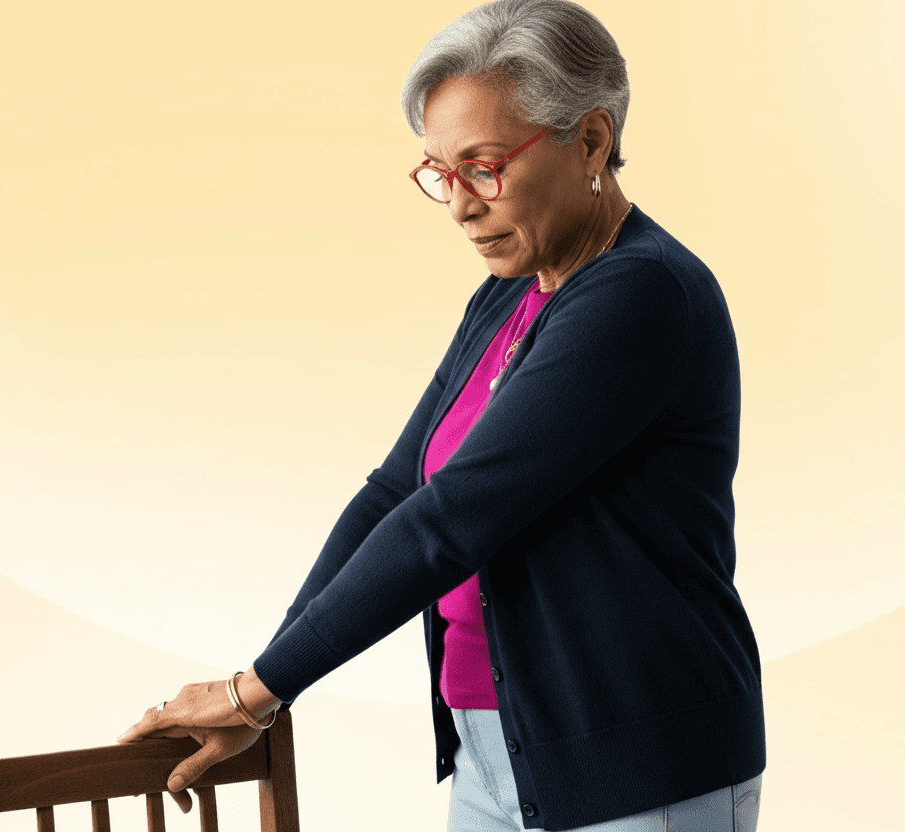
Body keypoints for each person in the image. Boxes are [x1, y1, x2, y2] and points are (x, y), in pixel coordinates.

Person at [117, 1, 765, 829]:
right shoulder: (507, 296)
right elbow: (396, 493)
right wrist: (266, 684)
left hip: (635, 764)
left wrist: (261, 690)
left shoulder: (640, 295)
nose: (460, 206)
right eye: (439, 173)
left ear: (592, 141)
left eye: (484, 168)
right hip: (496, 752)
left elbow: (456, 516)